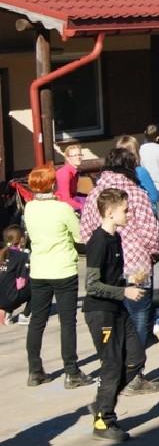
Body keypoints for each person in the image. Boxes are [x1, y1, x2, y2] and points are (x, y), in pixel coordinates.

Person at [84, 189, 159, 442]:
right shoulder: (98, 241)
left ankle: (102, 403)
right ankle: (103, 420)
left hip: (117, 309)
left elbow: (110, 278)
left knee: (136, 358)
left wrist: (129, 282)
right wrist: (124, 291)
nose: (129, 214)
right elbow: (92, 286)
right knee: (112, 365)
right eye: (125, 211)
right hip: (101, 312)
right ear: (109, 212)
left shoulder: (115, 237)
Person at [80, 148, 159, 353]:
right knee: (139, 319)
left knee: (113, 322)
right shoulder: (138, 194)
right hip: (137, 265)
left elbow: (86, 232)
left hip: (107, 269)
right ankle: (135, 366)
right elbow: (150, 233)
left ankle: (118, 364)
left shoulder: (94, 195)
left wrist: (99, 255)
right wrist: (153, 254)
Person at [24, 165, 92, 389]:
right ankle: (71, 372)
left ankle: (35, 370)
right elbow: (80, 236)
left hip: (39, 270)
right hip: (63, 269)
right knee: (67, 322)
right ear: (52, 184)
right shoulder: (62, 209)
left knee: (37, 321)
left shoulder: (29, 208)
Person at [0, 225, 31, 325]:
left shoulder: (2, 253)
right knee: (37, 284)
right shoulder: (22, 256)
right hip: (9, 298)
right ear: (22, 239)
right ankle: (26, 315)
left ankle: (7, 310)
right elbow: (20, 284)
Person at [55, 144, 86, 213]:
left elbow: (73, 195)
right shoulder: (64, 173)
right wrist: (83, 206)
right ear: (67, 158)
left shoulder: (75, 172)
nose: (78, 157)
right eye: (75, 155)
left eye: (79, 155)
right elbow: (66, 199)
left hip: (70, 205)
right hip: (61, 208)